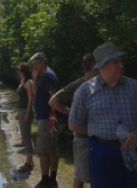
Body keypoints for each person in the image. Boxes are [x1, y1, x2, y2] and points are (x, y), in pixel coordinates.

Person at [69, 42, 137, 188]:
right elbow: (73, 124)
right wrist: (96, 132)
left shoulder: (134, 87)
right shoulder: (85, 91)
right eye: (115, 62)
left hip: (132, 151)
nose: (121, 65)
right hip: (101, 152)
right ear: (102, 66)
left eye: (121, 61)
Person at [49, 53, 97, 188]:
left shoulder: (99, 84)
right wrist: (71, 113)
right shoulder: (78, 85)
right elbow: (53, 101)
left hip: (98, 137)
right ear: (93, 66)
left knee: (98, 175)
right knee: (80, 176)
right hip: (83, 138)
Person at [30, 52, 60, 188]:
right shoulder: (45, 76)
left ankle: (45, 180)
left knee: (43, 150)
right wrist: (35, 78)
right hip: (45, 117)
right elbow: (37, 95)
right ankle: (51, 180)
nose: (35, 66)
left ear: (43, 61)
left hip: (46, 118)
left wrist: (52, 120)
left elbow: (54, 98)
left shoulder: (48, 76)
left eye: (36, 63)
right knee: (51, 149)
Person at [15, 62, 35, 172]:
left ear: (24, 72)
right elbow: (21, 99)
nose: (18, 72)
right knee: (25, 136)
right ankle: (30, 160)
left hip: (26, 112)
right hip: (21, 111)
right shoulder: (22, 81)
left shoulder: (28, 82)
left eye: (19, 70)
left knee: (26, 137)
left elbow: (30, 100)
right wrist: (19, 112)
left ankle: (28, 163)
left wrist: (27, 114)